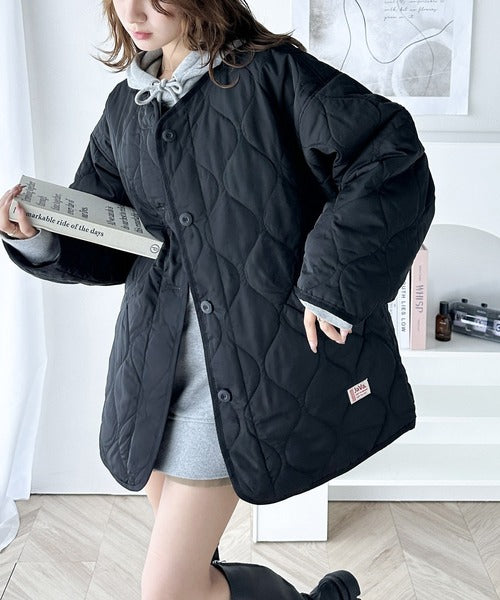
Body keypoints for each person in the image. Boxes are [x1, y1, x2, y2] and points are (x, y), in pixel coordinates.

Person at [0, 1, 435, 599]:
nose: (133, 11)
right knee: (194, 572)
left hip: (241, 372)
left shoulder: (270, 76)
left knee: (170, 588)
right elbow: (115, 242)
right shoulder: (125, 107)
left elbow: (389, 156)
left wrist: (330, 286)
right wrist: (40, 236)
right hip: (154, 376)